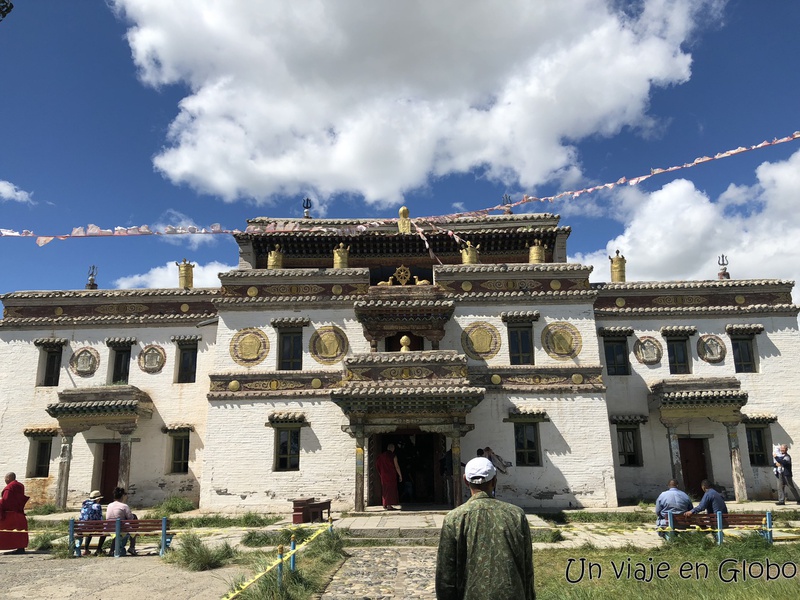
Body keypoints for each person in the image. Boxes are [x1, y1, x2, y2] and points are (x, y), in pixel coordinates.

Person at [435, 457, 535, 600]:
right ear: (494, 481)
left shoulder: (454, 518)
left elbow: (446, 576)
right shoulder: (516, 515)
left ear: (465, 481)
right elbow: (527, 567)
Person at [0, 472, 29, 554]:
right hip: (19, 513)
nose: (5, 479)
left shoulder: (10, 487)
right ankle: (20, 548)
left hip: (10, 514)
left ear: (9, 478)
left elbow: (6, 500)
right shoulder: (20, 486)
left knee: (6, 532)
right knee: (19, 532)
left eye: (5, 478)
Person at [106, 487, 137, 555]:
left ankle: (112, 550)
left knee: (117, 530)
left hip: (110, 528)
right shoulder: (124, 506)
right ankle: (132, 547)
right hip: (121, 529)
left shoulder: (109, 505)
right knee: (133, 526)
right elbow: (130, 518)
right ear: (122, 496)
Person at [79, 490, 106, 556]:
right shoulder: (97, 506)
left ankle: (86, 549)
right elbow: (100, 518)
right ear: (98, 499)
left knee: (89, 531)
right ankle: (99, 549)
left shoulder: (84, 504)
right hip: (92, 527)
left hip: (81, 527)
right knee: (105, 532)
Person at [376, 443, 402, 511]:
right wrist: (400, 475)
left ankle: (385, 504)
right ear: (393, 449)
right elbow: (396, 466)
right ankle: (389, 505)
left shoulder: (381, 456)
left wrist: (381, 473)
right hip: (391, 475)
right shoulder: (393, 456)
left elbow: (377, 465)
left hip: (384, 475)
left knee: (385, 489)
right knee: (390, 490)